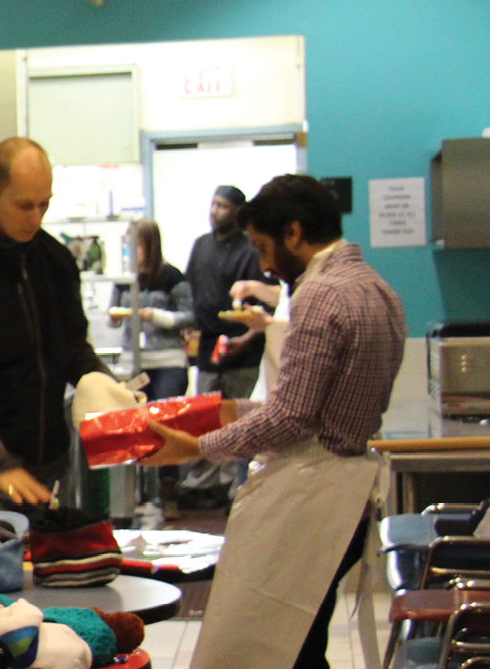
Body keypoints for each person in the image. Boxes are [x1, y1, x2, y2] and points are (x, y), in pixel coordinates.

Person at [144, 174, 404, 669]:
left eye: (264, 247)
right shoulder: (377, 288)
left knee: (274, 648)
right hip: (350, 493)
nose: (264, 264)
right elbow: (315, 405)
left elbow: (293, 417)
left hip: (314, 494)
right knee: (304, 643)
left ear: (294, 232)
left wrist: (198, 447)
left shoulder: (321, 294)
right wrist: (225, 414)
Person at [0, 137, 127, 513]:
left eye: (44, 204)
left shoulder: (57, 263)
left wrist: (111, 393)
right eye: (24, 205)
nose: (35, 217)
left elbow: (75, 350)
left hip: (52, 464)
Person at [180, 185, 278, 503]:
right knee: (207, 416)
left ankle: (240, 488)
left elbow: (269, 308)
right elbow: (192, 293)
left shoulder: (250, 250)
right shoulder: (201, 246)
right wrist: (190, 334)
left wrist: (246, 338)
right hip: (208, 344)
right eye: (213, 204)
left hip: (244, 346)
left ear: (237, 210)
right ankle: (207, 487)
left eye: (223, 206)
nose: (215, 211)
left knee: (241, 419)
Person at [107, 219, 193, 401]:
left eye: (137, 245)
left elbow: (190, 316)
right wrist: (114, 318)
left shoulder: (172, 276)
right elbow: (112, 315)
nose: (131, 251)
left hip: (167, 362)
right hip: (133, 363)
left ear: (151, 246)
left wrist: (156, 316)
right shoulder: (124, 280)